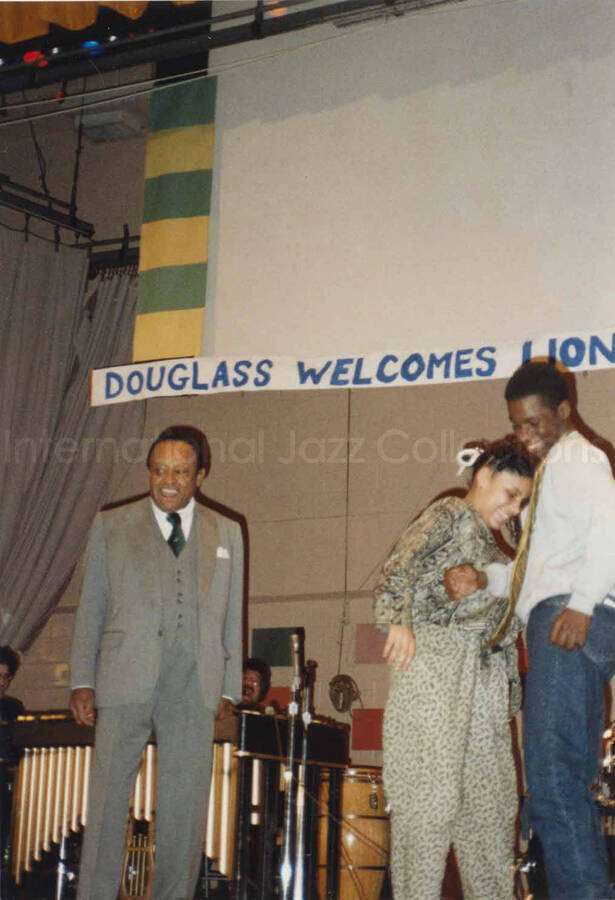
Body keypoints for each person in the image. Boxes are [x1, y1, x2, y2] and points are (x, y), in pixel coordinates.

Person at [445, 361, 615, 900]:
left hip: (570, 618)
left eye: (534, 423)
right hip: (562, 610)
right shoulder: (550, 471)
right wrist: (488, 579)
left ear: (565, 411)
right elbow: (537, 569)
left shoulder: (578, 457)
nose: (524, 436)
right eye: (517, 425)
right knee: (566, 782)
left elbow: (611, 523)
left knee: (553, 784)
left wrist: (583, 603)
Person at [69, 425, 244, 900]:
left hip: (193, 683)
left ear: (200, 476)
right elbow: (92, 607)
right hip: (125, 676)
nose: (169, 481)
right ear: (149, 472)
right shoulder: (111, 524)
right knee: (106, 802)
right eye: (159, 470)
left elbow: (233, 614)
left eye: (181, 472)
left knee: (185, 808)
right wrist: (82, 680)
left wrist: (228, 686)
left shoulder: (227, 531)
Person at [374, 440, 533, 899]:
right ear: (483, 476)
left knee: (491, 808)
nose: (513, 507)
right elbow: (398, 566)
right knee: (427, 803)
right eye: (509, 494)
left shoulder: (498, 546)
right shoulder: (448, 513)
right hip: (436, 663)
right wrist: (398, 622)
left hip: (483, 679)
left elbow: (515, 607)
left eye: (521, 500)